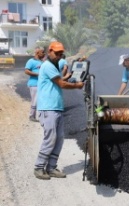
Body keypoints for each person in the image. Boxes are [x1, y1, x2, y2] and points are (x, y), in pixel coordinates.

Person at [34, 41, 84, 180]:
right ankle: (39, 168)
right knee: (50, 139)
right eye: (56, 53)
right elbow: (61, 83)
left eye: (61, 54)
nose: (59, 56)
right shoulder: (48, 65)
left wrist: (72, 77)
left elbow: (61, 79)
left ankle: (51, 167)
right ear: (49, 51)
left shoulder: (54, 67)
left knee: (59, 139)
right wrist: (77, 86)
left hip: (57, 107)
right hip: (48, 107)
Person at [24, 46, 45, 122]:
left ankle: (41, 116)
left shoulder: (42, 62)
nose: (44, 53)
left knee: (41, 100)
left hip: (42, 84)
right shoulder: (31, 61)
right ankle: (31, 116)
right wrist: (37, 74)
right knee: (35, 100)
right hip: (34, 84)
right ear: (37, 53)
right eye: (42, 52)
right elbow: (26, 71)